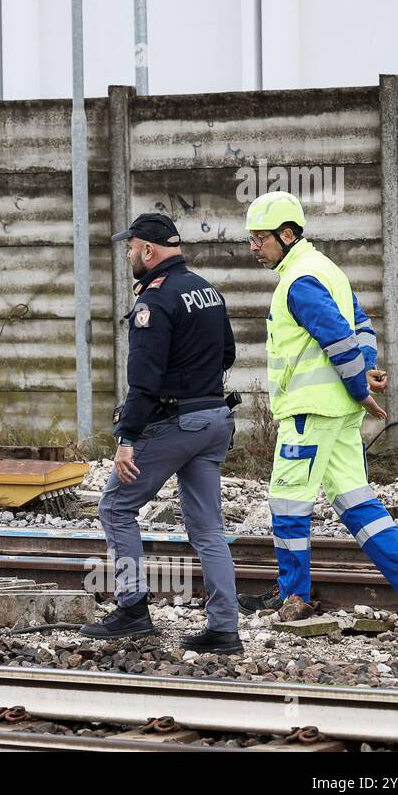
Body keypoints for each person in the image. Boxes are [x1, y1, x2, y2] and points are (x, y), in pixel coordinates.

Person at [239, 191, 398, 621]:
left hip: (310, 414)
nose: (254, 248)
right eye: (252, 240)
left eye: (260, 239)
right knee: (353, 498)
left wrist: (359, 387)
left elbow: (338, 338)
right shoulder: (326, 270)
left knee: (287, 501)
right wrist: (364, 371)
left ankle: (291, 595)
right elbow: (362, 327)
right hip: (335, 415)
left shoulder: (299, 281)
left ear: (288, 234)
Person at [80, 213, 243, 654]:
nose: (129, 255)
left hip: (176, 423)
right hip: (214, 421)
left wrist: (126, 437)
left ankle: (132, 609)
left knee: (115, 506)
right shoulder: (207, 290)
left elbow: (145, 381)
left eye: (131, 248)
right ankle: (225, 629)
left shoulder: (155, 301)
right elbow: (226, 353)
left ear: (148, 250)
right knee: (208, 529)